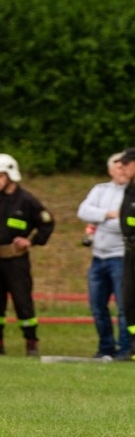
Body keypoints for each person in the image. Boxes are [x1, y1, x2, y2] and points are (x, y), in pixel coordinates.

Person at [0, 153, 54, 356]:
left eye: (0, 176)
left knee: (23, 302)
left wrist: (31, 241)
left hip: (16, 260)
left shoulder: (27, 201)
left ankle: (31, 340)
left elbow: (46, 223)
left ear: (10, 175)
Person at [77, 152, 129, 359]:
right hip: (98, 258)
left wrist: (99, 219)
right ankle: (105, 348)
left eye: (125, 166)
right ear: (110, 170)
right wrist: (108, 214)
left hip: (120, 257)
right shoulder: (100, 190)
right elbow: (83, 211)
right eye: (118, 166)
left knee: (124, 307)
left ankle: (125, 349)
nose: (122, 170)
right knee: (98, 306)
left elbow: (123, 225)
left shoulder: (131, 193)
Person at [118, 148, 135, 361]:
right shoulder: (128, 189)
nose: (122, 168)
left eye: (127, 164)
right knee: (129, 300)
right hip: (130, 253)